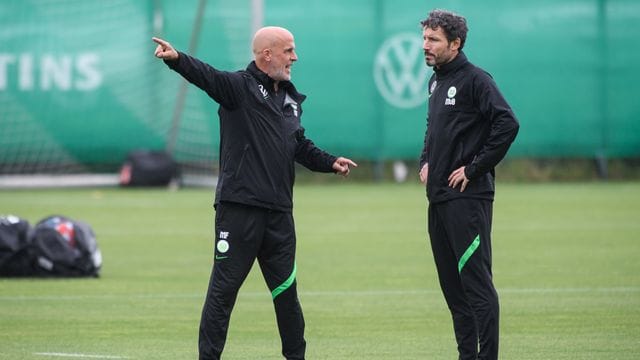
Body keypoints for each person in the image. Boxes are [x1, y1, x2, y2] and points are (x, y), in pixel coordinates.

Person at [152, 26, 357, 360]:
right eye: (289, 50)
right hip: (240, 210)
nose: (295, 57)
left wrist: (329, 162)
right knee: (223, 293)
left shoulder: (290, 99)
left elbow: (298, 145)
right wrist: (177, 59)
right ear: (267, 55)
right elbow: (207, 76)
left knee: (287, 295)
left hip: (279, 214)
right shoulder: (238, 87)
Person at [418, 9, 519, 360]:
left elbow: (508, 124)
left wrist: (474, 169)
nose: (425, 46)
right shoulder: (435, 81)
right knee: (454, 293)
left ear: (456, 44)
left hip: (467, 199)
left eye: (433, 40)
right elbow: (433, 129)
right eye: (425, 38)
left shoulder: (477, 80)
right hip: (439, 200)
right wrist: (426, 161)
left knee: (477, 289)